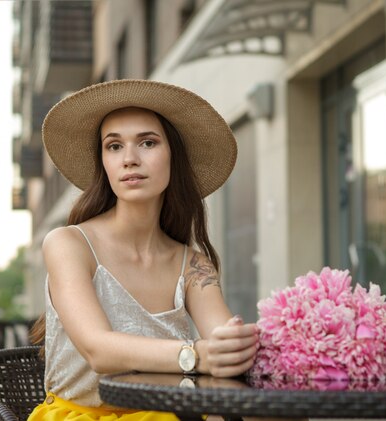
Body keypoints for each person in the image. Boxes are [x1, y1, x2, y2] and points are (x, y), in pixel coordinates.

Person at [28, 79, 257, 420]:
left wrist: (239, 348)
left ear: (173, 157)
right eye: (114, 146)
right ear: (103, 161)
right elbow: (98, 350)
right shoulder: (69, 244)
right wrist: (196, 356)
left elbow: (226, 346)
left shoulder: (194, 266)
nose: (130, 159)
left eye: (147, 143)